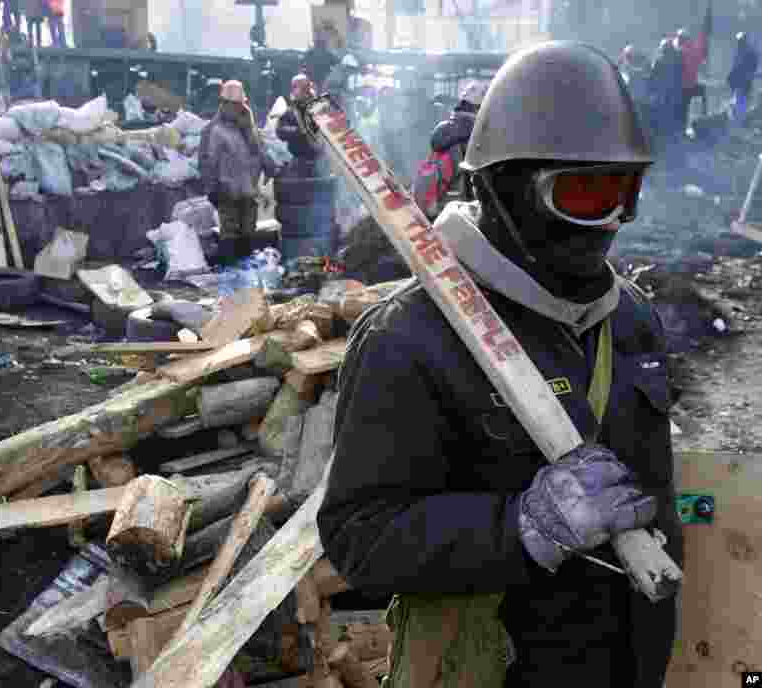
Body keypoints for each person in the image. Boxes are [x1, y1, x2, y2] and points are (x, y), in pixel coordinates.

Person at [318, 41, 681, 688]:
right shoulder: (410, 339)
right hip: (495, 668)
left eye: (626, 192)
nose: (613, 222)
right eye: (586, 193)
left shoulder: (630, 320)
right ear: (502, 187)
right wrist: (520, 527)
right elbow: (359, 537)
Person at [199, 80, 278, 257]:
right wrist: (212, 189)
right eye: (233, 105)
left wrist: (270, 167)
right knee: (229, 235)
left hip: (248, 192)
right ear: (223, 104)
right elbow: (206, 163)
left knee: (248, 234)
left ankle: (245, 272)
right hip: (227, 192)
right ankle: (229, 273)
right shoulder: (213, 130)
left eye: (239, 104)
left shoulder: (248, 128)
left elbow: (260, 150)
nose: (237, 108)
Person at [412, 79, 485, 219]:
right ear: (480, 107)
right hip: (461, 212)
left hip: (437, 206)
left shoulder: (444, 129)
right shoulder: (478, 132)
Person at [674, 2, 712, 127]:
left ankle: (681, 127)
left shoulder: (679, 51)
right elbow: (702, 41)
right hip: (690, 86)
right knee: (702, 91)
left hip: (681, 88)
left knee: (682, 108)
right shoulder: (693, 49)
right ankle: (704, 115)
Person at [276, 74, 320, 177]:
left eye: (305, 87)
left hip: (321, 160)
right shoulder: (290, 110)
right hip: (300, 159)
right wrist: (299, 131)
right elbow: (280, 131)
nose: (304, 91)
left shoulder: (319, 106)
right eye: (298, 87)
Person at [648, 37, 685, 144]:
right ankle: (672, 135)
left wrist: (651, 90)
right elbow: (681, 74)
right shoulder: (678, 59)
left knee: (660, 112)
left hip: (662, 91)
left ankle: (660, 135)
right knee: (672, 113)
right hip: (675, 91)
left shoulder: (659, 60)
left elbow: (653, 77)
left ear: (663, 49)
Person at [728, 32, 758, 126]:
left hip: (743, 84)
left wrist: (732, 78)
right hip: (743, 83)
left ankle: (738, 124)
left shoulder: (745, 53)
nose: (738, 42)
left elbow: (738, 68)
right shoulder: (746, 52)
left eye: (739, 40)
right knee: (739, 104)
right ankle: (739, 123)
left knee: (740, 105)